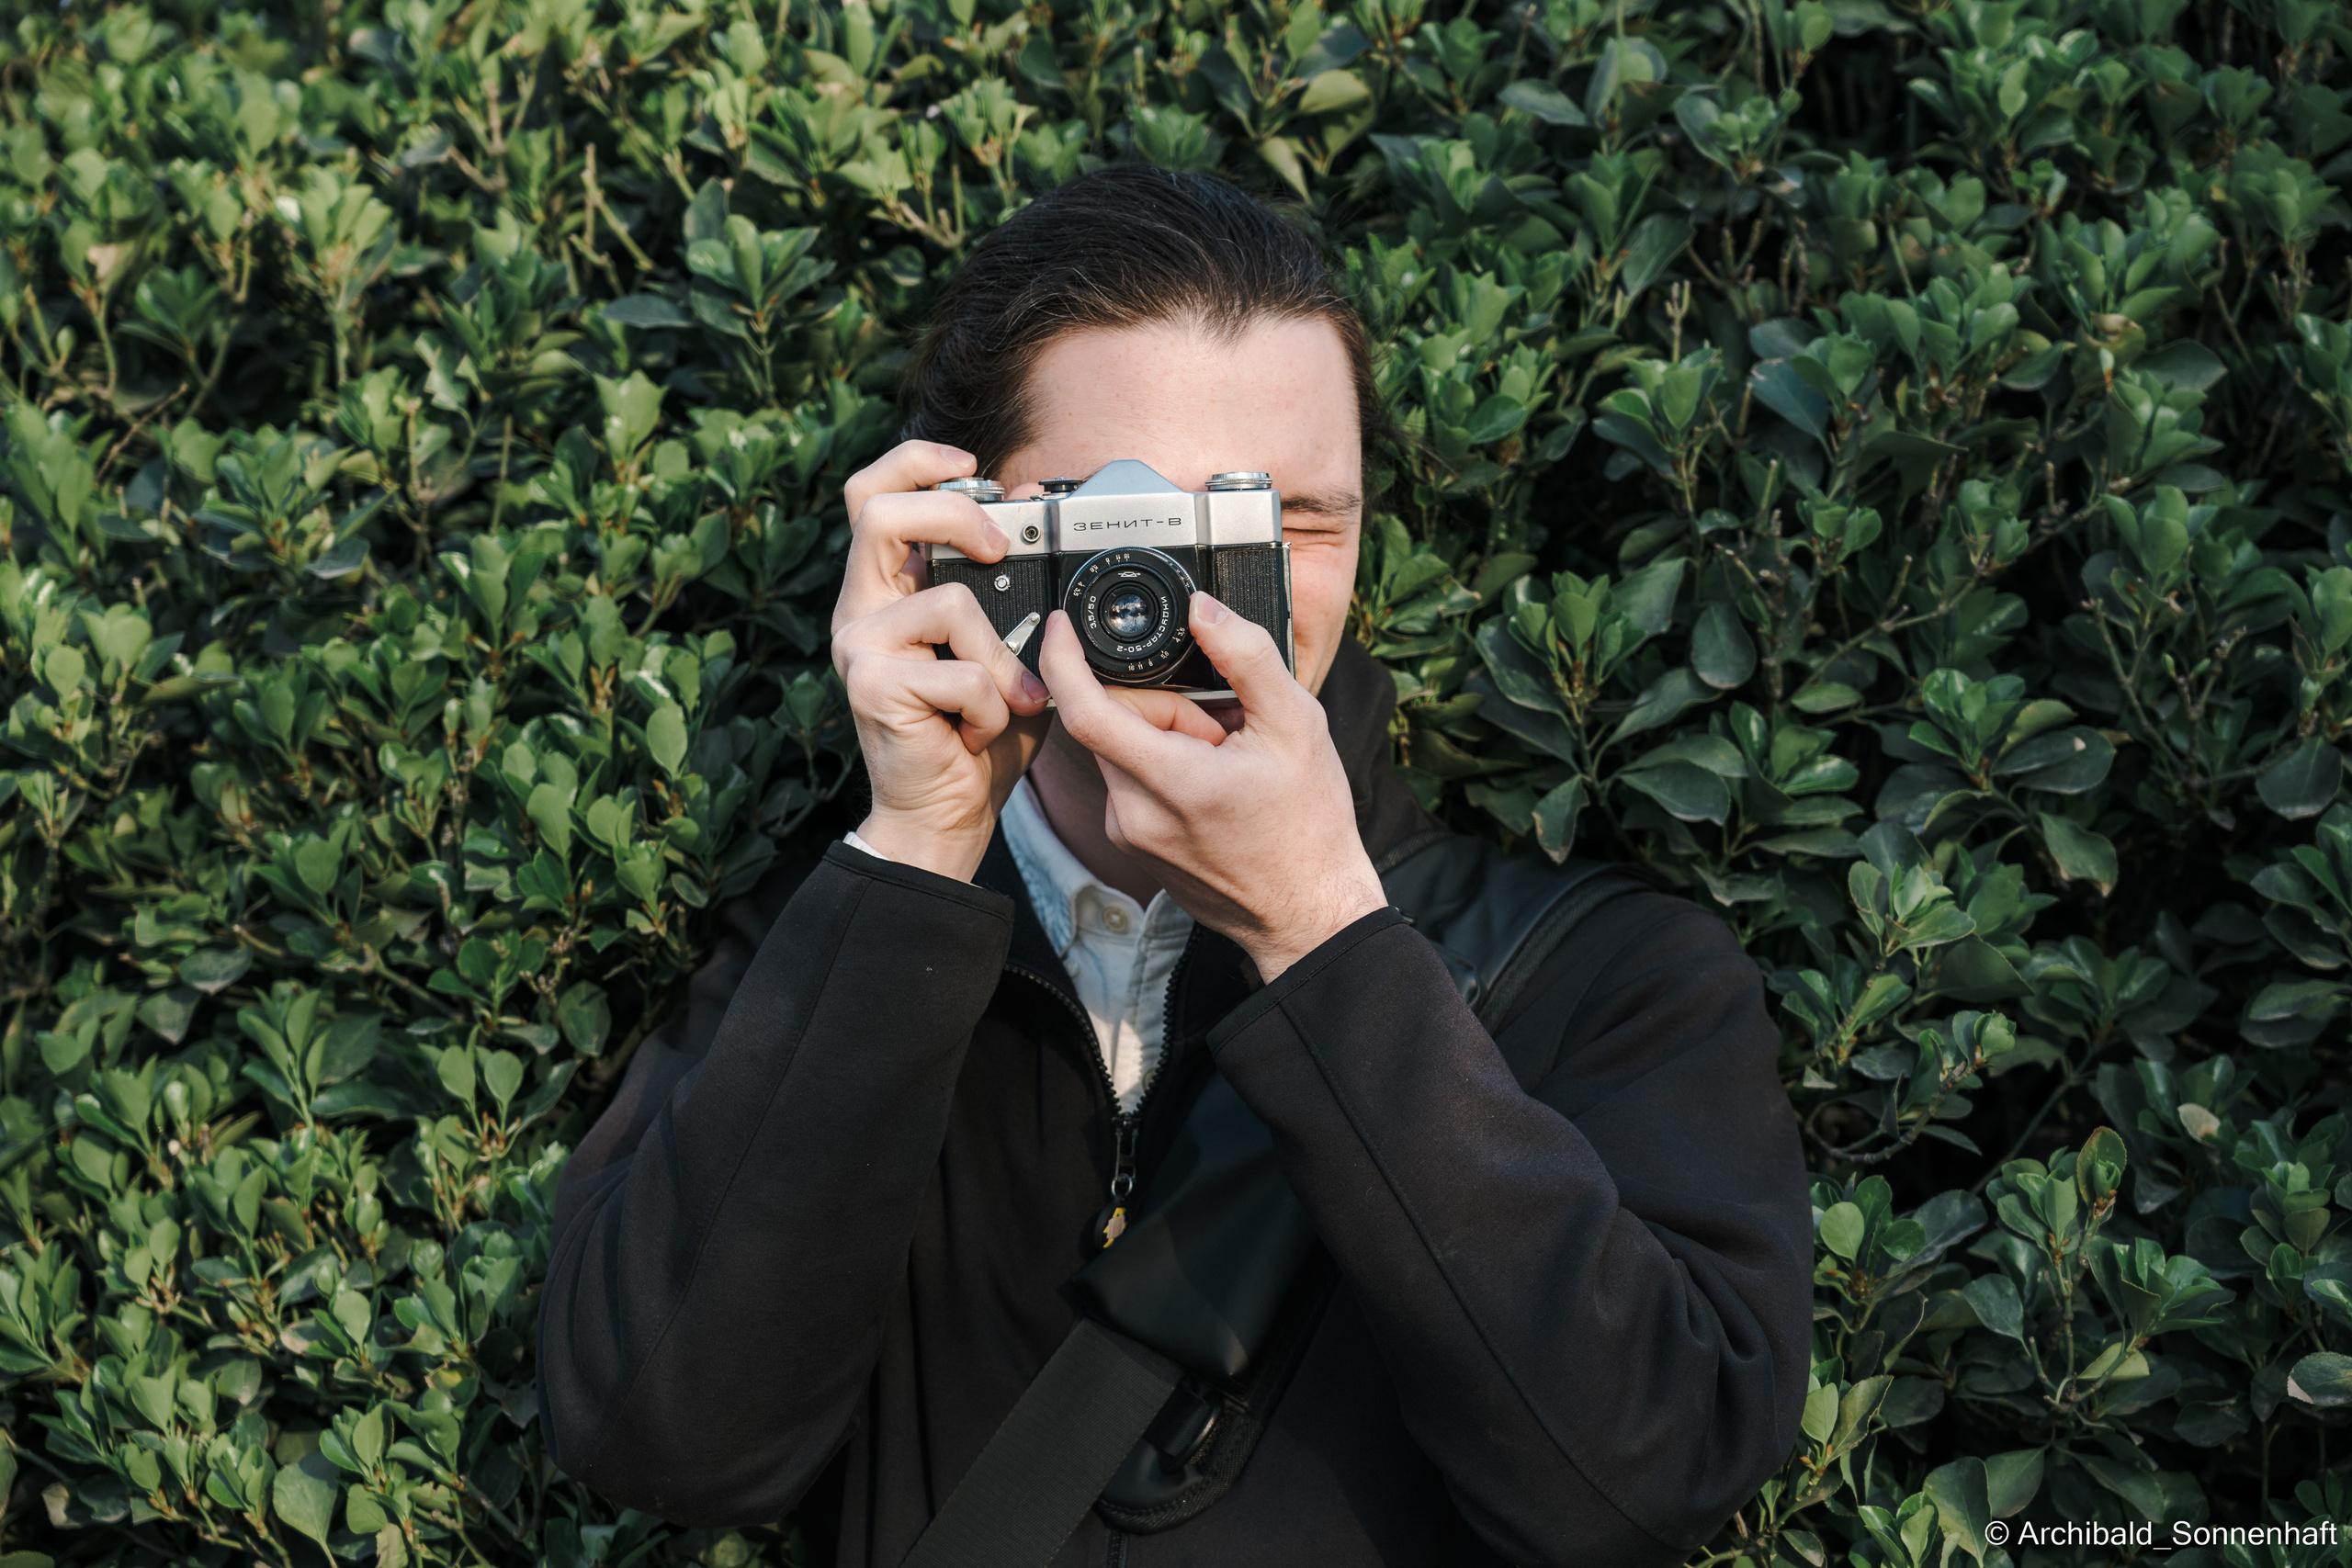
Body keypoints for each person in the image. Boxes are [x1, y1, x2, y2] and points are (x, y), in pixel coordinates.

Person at [536, 166, 1813, 1568]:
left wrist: (1329, 947)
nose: (1199, 596)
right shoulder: (838, 949)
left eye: (1288, 523)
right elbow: (661, 1438)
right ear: (965, 535)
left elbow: (1654, 1481)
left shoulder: (1605, 979)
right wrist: (912, 858)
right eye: (1121, 525)